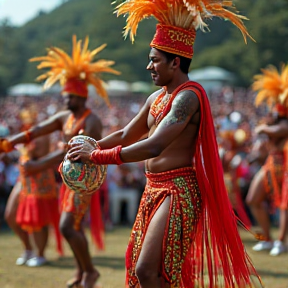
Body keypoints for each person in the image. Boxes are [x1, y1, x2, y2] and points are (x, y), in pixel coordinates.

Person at [67, 1, 263, 287]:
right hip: (152, 187)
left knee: (148, 271)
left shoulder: (188, 96)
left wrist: (97, 156)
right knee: (141, 270)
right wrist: (87, 146)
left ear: (175, 62)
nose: (149, 66)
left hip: (177, 190)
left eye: (155, 59)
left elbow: (155, 145)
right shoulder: (155, 97)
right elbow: (125, 135)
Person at [0, 35, 120, 288]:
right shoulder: (64, 115)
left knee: (67, 227)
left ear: (82, 97)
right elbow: (37, 130)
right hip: (69, 180)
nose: (66, 100)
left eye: (71, 96)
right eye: (65, 95)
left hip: (85, 182)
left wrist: (40, 164)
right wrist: (11, 142)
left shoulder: (91, 121)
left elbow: (72, 152)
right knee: (71, 227)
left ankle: (90, 272)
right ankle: (81, 273)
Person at [4, 106, 63, 267]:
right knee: (11, 215)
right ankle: (28, 249)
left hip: (40, 181)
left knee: (38, 219)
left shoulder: (42, 137)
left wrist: (27, 154)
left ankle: (41, 254)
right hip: (24, 180)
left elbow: (39, 157)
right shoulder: (25, 136)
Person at [246, 63, 288, 256]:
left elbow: (281, 130)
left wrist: (263, 129)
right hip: (272, 164)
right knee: (253, 199)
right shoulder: (273, 119)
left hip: (286, 166)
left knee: (284, 204)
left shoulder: (280, 123)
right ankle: (267, 239)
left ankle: (281, 241)